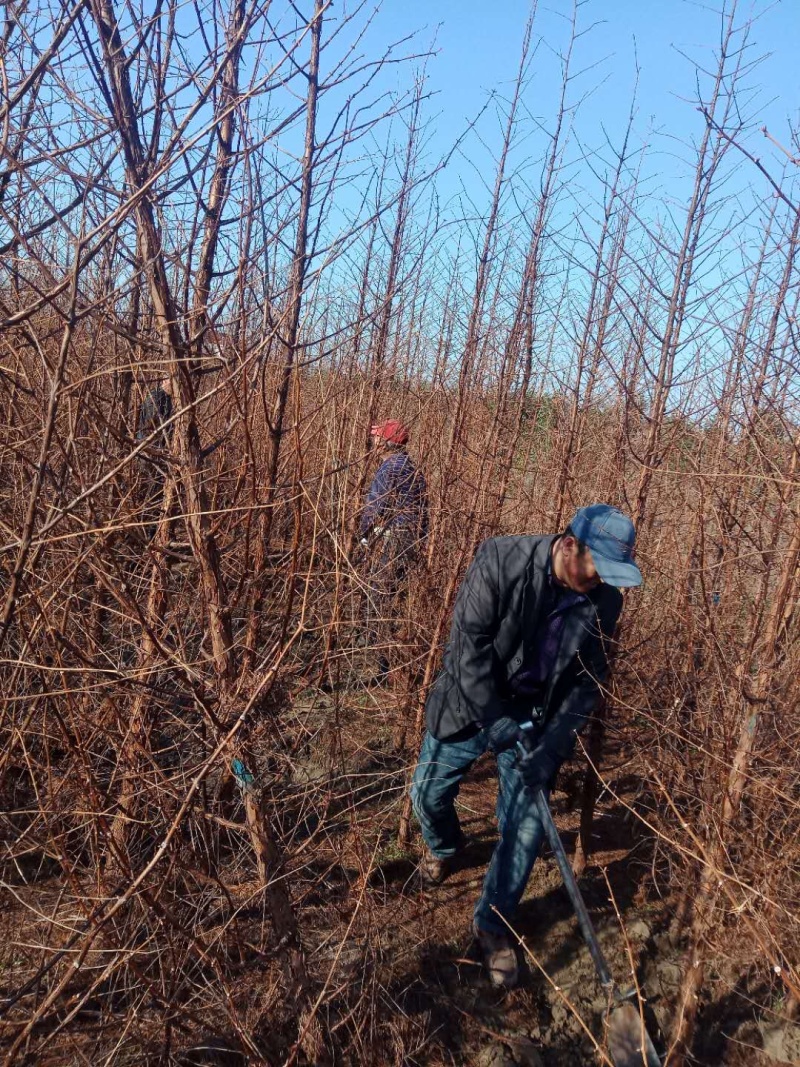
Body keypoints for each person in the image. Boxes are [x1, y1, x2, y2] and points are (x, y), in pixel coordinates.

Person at [410, 503, 642, 988]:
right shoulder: (501, 559)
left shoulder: (605, 604)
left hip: (536, 717)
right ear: (570, 546)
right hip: (472, 702)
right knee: (428, 795)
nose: (604, 582)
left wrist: (552, 747)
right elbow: (466, 648)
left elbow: (585, 684)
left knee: (527, 825)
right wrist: (493, 721)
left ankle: (492, 922)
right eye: (600, 569)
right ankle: (446, 846)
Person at [359, 419, 429, 684]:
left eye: (376, 436)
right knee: (397, 600)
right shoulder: (412, 467)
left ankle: (383, 669)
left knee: (380, 600)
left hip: (395, 541)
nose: (373, 440)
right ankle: (395, 664)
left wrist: (363, 535)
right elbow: (423, 512)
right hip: (411, 542)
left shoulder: (389, 468)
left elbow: (375, 506)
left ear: (386, 442)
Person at [135, 376, 173, 540]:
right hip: (151, 456)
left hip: (152, 454)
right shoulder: (157, 399)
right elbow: (152, 430)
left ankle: (150, 533)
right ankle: (147, 535)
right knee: (152, 496)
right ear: (166, 381)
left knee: (153, 495)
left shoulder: (163, 398)